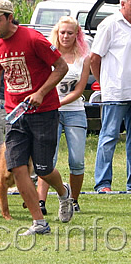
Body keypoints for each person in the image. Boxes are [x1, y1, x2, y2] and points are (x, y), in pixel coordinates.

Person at [0, 0, 73, 235]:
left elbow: (61, 67)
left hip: (43, 112)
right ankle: (39, 223)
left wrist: (41, 93)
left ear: (10, 18)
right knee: (18, 167)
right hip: (15, 114)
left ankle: (63, 192)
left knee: (42, 169)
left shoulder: (33, 39)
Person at [37, 16, 89, 213]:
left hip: (74, 111)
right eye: (62, 32)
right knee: (47, 158)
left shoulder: (84, 57)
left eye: (70, 33)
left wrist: (57, 102)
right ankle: (41, 201)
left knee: (77, 159)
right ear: (57, 34)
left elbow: (79, 90)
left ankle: (73, 199)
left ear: (77, 35)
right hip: (49, 113)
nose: (66, 36)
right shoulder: (47, 54)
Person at [90, 0, 131, 193]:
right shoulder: (110, 25)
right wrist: (103, 83)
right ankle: (103, 183)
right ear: (122, 5)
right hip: (115, 91)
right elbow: (94, 58)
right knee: (109, 137)